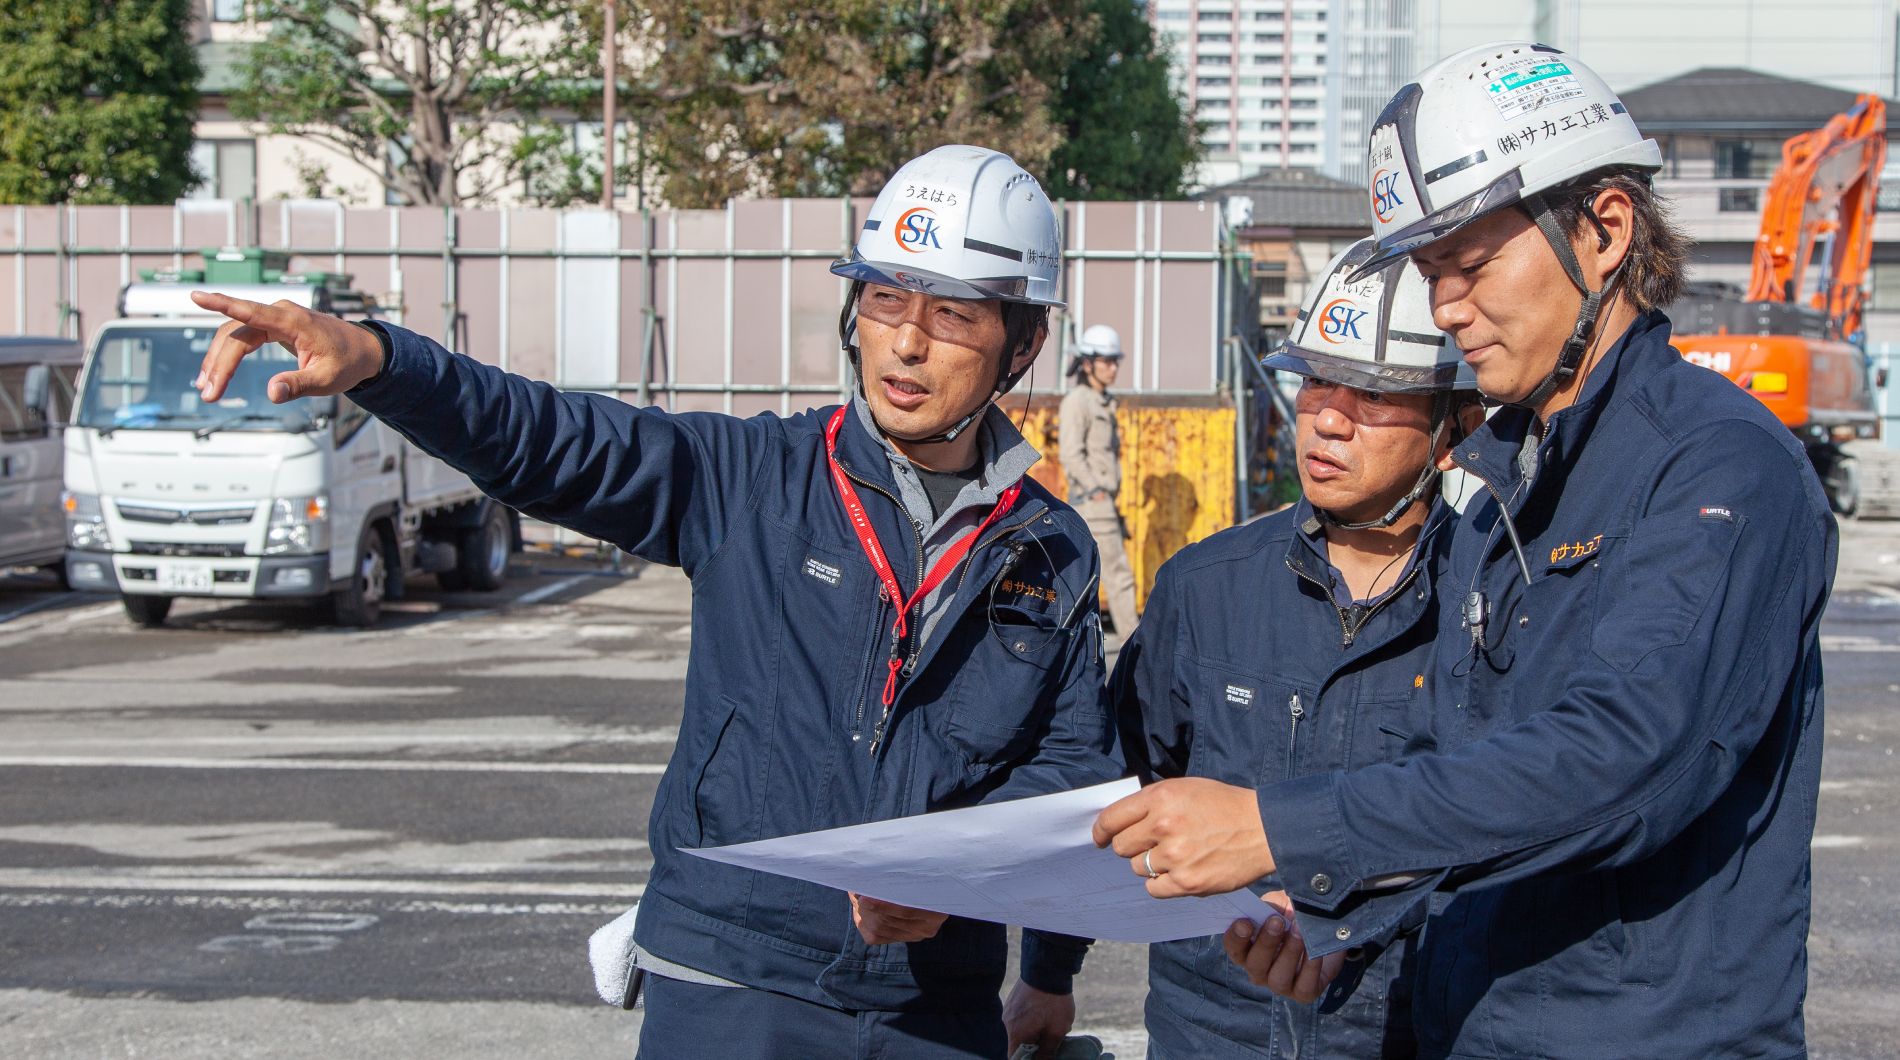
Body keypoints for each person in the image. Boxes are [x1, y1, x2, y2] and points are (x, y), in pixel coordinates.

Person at [189, 144, 1119, 1060]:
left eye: (952, 314)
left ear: (1023, 342)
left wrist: (971, 895)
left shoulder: (1049, 548)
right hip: (730, 985)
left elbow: (1073, 768)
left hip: (937, 1007)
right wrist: (382, 362)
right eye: (884, 299)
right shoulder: (751, 478)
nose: (906, 343)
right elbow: (548, 439)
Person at [1093, 41, 1836, 1059]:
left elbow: (1623, 758)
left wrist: (1286, 827)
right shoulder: (1497, 496)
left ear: (1605, 228)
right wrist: (1338, 920)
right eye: (1429, 271)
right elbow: (1463, 777)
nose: (1444, 306)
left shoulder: (1717, 468)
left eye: (1469, 262)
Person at [1015, 243, 1480, 1059]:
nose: (1328, 419)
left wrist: (1355, 920)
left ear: (1458, 427)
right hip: (1207, 1030)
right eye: (1315, 383)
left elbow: (1503, 830)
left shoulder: (1493, 608)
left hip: (1401, 1031)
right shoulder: (1205, 587)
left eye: (1373, 394)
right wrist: (1049, 973)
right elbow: (1118, 786)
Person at [1058, 324, 1139, 640]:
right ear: (1088, 363)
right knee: (1119, 576)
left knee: (1083, 576)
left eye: (1115, 361)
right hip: (1094, 503)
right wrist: (1096, 492)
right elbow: (1071, 454)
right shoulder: (1079, 401)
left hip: (1102, 502)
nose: (1114, 367)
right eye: (1107, 361)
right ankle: (1135, 644)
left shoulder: (1103, 400)